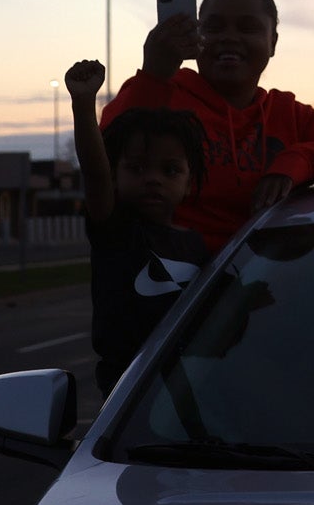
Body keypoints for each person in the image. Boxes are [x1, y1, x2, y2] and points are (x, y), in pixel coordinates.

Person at [99, 0, 314, 258]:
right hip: (174, 286)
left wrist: (299, 161)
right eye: (214, 27)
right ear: (197, 36)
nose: (229, 37)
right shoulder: (163, 92)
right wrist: (152, 75)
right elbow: (103, 153)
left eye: (247, 28)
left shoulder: (287, 113)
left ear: (272, 42)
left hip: (259, 278)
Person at [67, 59, 209, 393]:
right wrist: (84, 105)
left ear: (190, 182)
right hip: (130, 389)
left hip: (193, 382)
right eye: (137, 168)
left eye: (170, 170)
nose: (153, 180)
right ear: (116, 175)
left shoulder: (196, 245)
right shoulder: (115, 230)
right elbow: (94, 172)